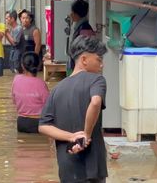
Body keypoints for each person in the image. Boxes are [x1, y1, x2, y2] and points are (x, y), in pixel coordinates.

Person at [39, 35, 108, 183]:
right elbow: (95, 102)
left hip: (67, 168)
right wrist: (86, 135)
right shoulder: (97, 80)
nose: (101, 65)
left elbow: (43, 126)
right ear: (84, 59)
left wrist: (70, 136)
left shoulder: (57, 89)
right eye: (99, 59)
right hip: (92, 168)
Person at [11, 52, 49, 133]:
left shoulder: (16, 80)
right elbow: (49, 107)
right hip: (38, 123)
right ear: (39, 66)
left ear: (22, 66)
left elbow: (14, 101)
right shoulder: (41, 84)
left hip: (21, 123)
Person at [67, 0, 95, 74]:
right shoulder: (79, 26)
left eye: (72, 12)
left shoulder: (85, 29)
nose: (70, 14)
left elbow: (85, 52)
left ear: (77, 14)